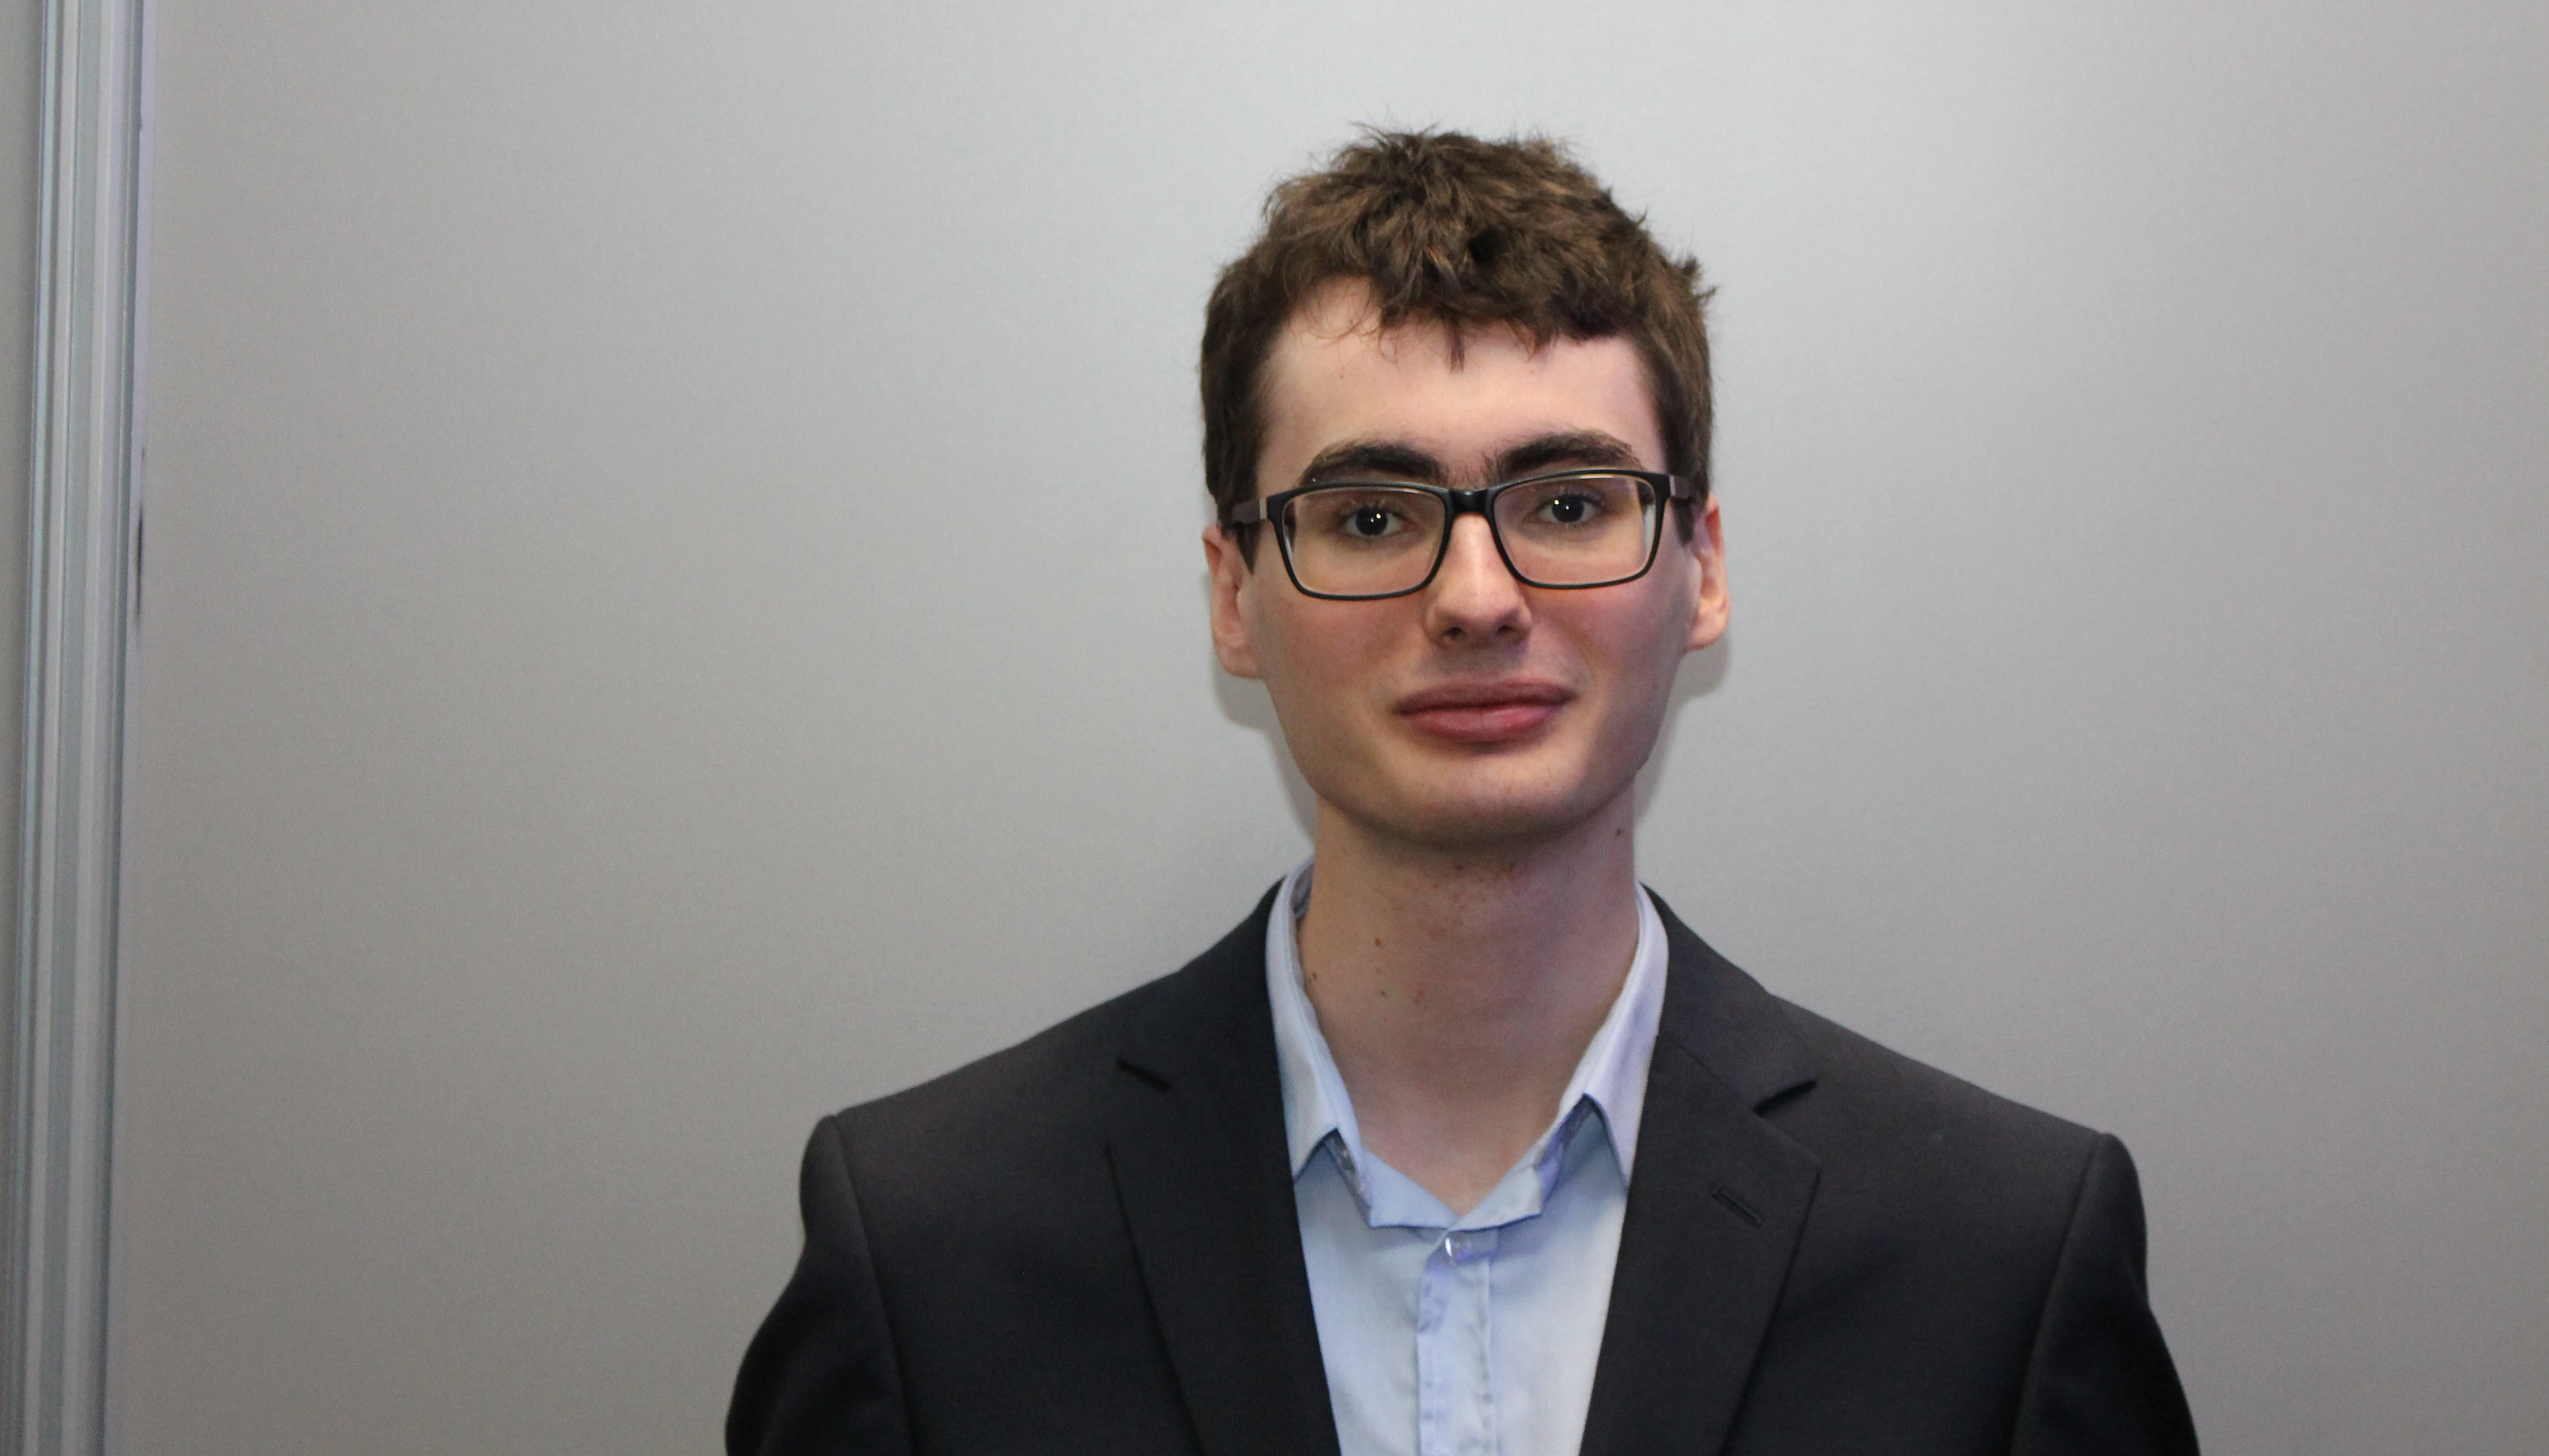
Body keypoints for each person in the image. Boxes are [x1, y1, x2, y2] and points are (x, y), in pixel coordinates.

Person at [727, 130, 2198, 1455]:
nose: (1478, 598)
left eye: (1569, 504)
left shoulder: (2002, 1261)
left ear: (1703, 568)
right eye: (1372, 517)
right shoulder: (928, 1252)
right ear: (1235, 597)